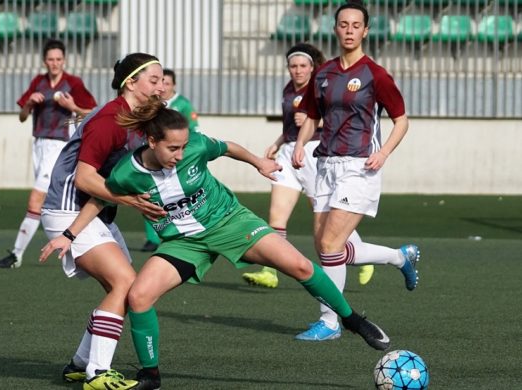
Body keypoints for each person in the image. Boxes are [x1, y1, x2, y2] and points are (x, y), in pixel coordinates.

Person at [42, 96, 392, 390]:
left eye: (183, 146)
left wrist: (258, 162)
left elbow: (226, 147)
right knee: (138, 295)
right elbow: (99, 199)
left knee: (299, 265)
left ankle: (352, 321)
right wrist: (69, 235)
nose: (180, 154)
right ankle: (150, 373)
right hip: (183, 242)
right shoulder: (125, 173)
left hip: (230, 223)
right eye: (172, 148)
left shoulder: (194, 145)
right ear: (151, 142)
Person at [291, 0, 420, 342]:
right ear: (336, 29)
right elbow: (312, 116)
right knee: (326, 247)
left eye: (355, 25)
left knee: (332, 243)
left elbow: (401, 121)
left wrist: (384, 152)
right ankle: (398, 257)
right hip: (325, 164)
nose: (349, 30)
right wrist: (302, 144)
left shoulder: (375, 74)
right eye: (343, 24)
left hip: (359, 165)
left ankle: (330, 321)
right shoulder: (324, 73)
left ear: (366, 30)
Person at [38, 53, 167, 390]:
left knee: (123, 289)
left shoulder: (137, 120)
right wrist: (130, 201)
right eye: (153, 80)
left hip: (95, 212)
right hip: (68, 209)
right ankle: (98, 373)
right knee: (125, 281)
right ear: (130, 83)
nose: (160, 86)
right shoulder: (109, 120)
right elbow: (84, 180)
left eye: (162, 80)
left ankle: (80, 365)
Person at [241, 43, 376, 290]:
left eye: (303, 66)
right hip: (288, 153)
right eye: (293, 66)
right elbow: (290, 127)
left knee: (324, 216)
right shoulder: (288, 89)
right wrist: (277, 142)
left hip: (314, 153)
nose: (298, 71)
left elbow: (340, 117)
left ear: (312, 67)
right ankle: (270, 272)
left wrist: (318, 121)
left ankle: (359, 253)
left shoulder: (320, 87)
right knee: (276, 215)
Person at [0, 39, 97, 269]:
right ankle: (78, 246)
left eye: (59, 59)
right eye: (51, 59)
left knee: (36, 199)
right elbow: (22, 116)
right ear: (44, 61)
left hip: (60, 146)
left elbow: (92, 111)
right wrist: (29, 103)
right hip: (39, 145)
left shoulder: (73, 83)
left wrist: (73, 108)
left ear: (64, 60)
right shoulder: (38, 82)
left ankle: (17, 254)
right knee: (55, 200)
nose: (55, 63)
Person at [140, 68, 200, 252]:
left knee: (180, 196)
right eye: (160, 82)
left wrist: (186, 154)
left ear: (173, 85)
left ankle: (186, 232)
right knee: (150, 196)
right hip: (155, 158)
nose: (163, 86)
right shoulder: (152, 105)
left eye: (167, 83)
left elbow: (194, 130)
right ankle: (153, 238)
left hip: (176, 159)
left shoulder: (182, 104)